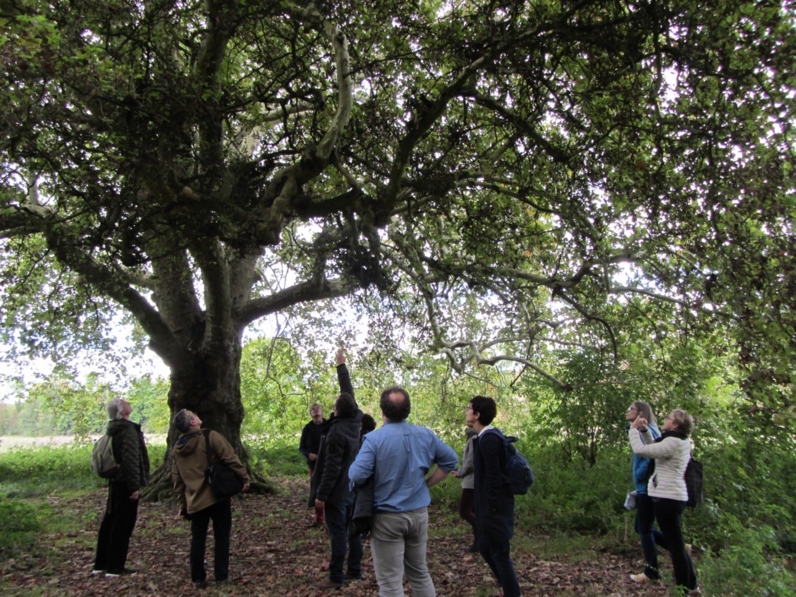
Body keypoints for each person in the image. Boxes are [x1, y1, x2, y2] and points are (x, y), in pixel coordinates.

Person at [349, 386, 458, 597]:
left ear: (383, 411)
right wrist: (427, 484)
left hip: (387, 518)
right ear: (408, 409)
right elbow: (450, 460)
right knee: (419, 573)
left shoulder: (374, 440)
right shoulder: (426, 435)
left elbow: (356, 475)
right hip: (418, 514)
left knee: (390, 583)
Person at [171, 409, 250, 587]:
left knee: (197, 539)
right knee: (221, 537)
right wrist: (244, 477)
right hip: (217, 496)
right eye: (193, 414)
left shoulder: (177, 448)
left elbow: (177, 479)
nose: (198, 414)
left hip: (195, 500)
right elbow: (230, 458)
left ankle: (198, 578)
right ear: (192, 422)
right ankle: (221, 576)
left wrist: (182, 504)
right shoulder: (210, 436)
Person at [309, 350, 364, 590]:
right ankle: (355, 571)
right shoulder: (356, 420)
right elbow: (348, 393)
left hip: (338, 492)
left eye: (333, 405)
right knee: (353, 532)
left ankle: (336, 577)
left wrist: (321, 495)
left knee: (339, 534)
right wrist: (342, 368)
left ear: (336, 410)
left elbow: (330, 468)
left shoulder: (336, 432)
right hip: (353, 488)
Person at [629, 409, 699, 595]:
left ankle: (684, 589)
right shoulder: (675, 441)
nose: (665, 420)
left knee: (676, 548)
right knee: (676, 544)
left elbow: (642, 450)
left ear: (675, 424)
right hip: (671, 497)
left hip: (668, 499)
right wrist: (644, 432)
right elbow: (656, 450)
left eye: (668, 418)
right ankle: (691, 586)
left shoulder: (673, 442)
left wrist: (633, 430)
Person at [467, 395, 521, 597]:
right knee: (484, 546)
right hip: (488, 507)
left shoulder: (489, 439)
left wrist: (492, 508)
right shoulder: (485, 437)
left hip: (495, 508)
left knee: (499, 553)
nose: (466, 410)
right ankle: (509, 589)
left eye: (469, 408)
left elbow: (494, 477)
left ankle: (512, 593)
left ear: (477, 414)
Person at [92, 397, 150, 577]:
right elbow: (131, 461)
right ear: (122, 411)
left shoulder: (113, 429)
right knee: (123, 525)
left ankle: (101, 564)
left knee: (109, 522)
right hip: (125, 483)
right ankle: (115, 567)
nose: (128, 402)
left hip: (115, 481)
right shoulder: (128, 431)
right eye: (125, 402)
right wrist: (134, 487)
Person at [625, 401, 664, 583]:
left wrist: (640, 476)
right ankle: (678, 546)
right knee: (640, 527)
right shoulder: (649, 429)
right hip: (646, 486)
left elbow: (651, 456)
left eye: (631, 408)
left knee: (644, 529)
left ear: (641, 412)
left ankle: (651, 572)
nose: (627, 411)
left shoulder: (647, 431)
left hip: (648, 486)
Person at [300, 402, 327, 526]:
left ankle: (330, 518)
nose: (315, 411)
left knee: (328, 489)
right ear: (310, 414)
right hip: (314, 465)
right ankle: (318, 519)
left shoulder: (329, 425)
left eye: (317, 408)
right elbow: (302, 448)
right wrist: (309, 454)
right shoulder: (307, 428)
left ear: (321, 411)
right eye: (313, 409)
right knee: (316, 490)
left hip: (328, 463)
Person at [452, 426, 478, 552]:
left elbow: (470, 462)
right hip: (474, 481)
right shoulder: (475, 437)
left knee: (465, 511)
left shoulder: (474, 439)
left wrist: (460, 473)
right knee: (474, 511)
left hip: (471, 482)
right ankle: (479, 543)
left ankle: (483, 535)